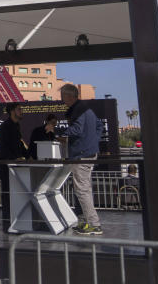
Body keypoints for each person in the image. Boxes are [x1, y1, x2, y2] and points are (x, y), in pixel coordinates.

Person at [60, 83, 103, 235]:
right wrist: (92, 142)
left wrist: (59, 132)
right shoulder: (86, 109)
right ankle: (86, 222)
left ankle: (94, 224)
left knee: (82, 190)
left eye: (63, 96)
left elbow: (77, 129)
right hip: (89, 152)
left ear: (69, 96)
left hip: (81, 154)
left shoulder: (78, 109)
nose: (62, 99)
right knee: (85, 189)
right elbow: (99, 126)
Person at [0, 102, 30, 217]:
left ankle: (15, 216)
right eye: (19, 109)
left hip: (15, 164)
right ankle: (8, 218)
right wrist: (15, 158)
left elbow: (19, 144)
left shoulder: (16, 126)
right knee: (7, 192)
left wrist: (28, 155)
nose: (21, 111)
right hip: (7, 165)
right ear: (12, 111)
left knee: (15, 191)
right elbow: (5, 147)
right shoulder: (6, 126)